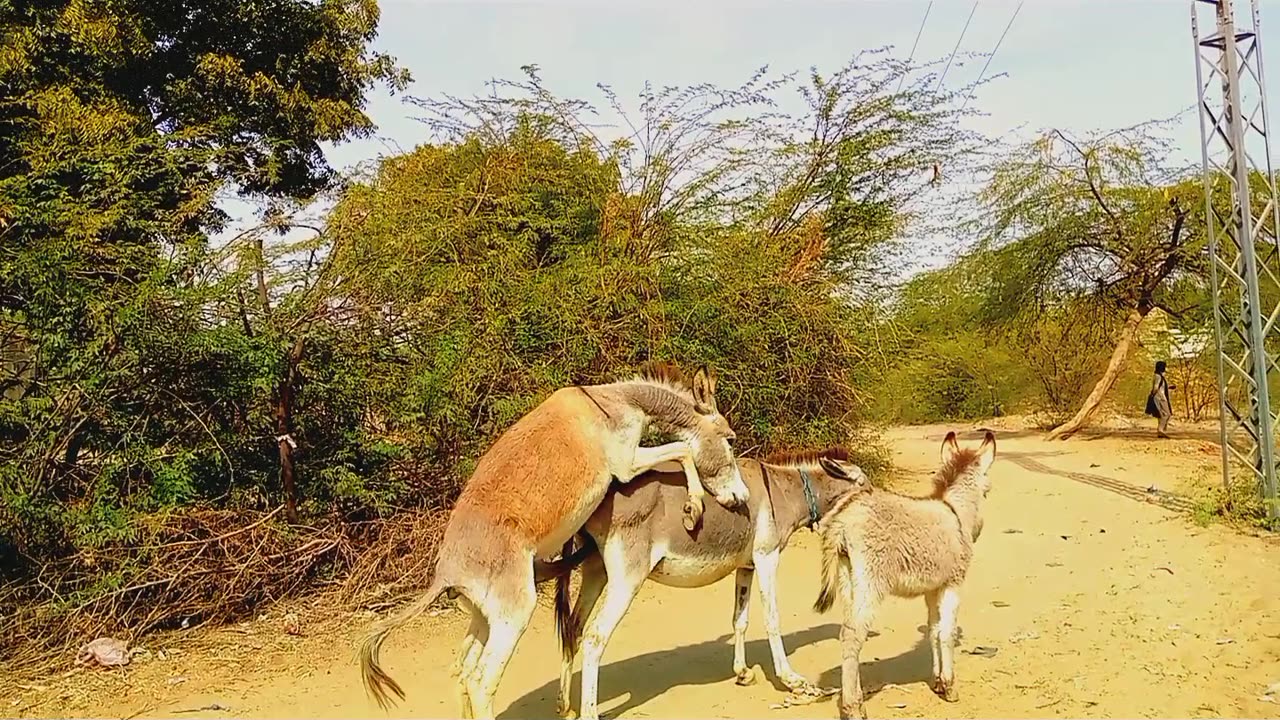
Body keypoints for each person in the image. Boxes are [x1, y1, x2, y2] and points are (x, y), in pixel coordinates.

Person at [1145, 360, 1173, 438]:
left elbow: (1160, 387)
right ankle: (1160, 430)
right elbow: (1156, 387)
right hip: (1160, 398)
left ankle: (1161, 431)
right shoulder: (1158, 376)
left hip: (1160, 397)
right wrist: (1153, 394)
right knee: (1167, 414)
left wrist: (1169, 387)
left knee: (1161, 414)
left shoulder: (1159, 376)